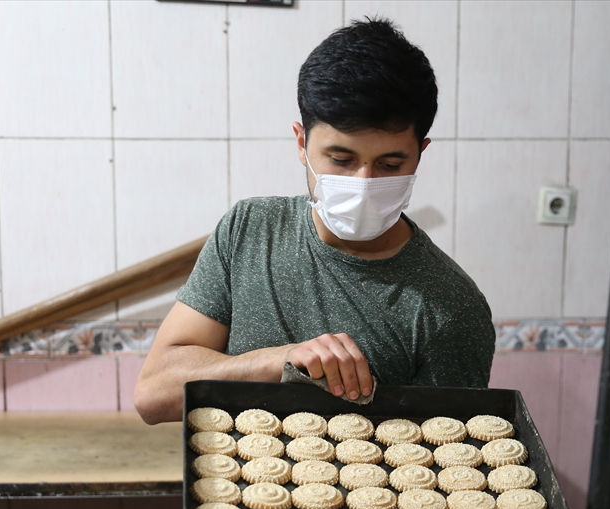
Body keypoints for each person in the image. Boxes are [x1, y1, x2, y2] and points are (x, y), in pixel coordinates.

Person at [134, 17, 495, 424]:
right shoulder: (250, 231)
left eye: (390, 163)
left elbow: (447, 460)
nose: (363, 183)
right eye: (341, 160)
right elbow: (153, 394)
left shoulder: (449, 307)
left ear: (420, 153)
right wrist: (282, 361)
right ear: (302, 143)